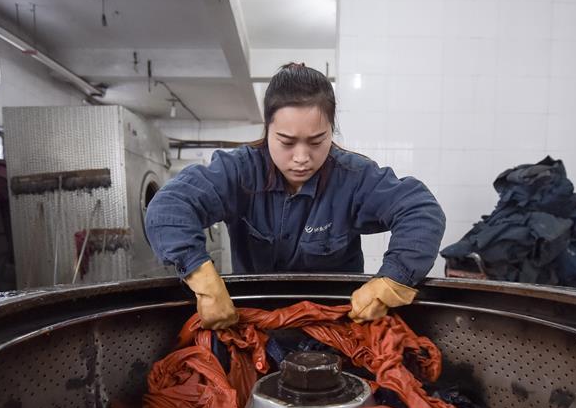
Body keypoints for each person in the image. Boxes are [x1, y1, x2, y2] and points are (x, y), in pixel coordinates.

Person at [145, 63, 445, 329]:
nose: (301, 158)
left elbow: (421, 211)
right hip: (253, 326)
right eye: (286, 142)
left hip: (336, 329)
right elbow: (169, 208)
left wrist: (392, 280)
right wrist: (201, 277)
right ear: (268, 130)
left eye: (316, 141)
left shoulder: (354, 178)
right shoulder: (239, 171)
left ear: (331, 131)